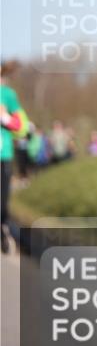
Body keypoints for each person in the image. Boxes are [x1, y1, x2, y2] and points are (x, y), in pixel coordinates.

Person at [1, 60, 28, 254]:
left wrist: (4, 117)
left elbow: (22, 127)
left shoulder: (8, 95)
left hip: (3, 155)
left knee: (2, 201)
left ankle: (3, 229)